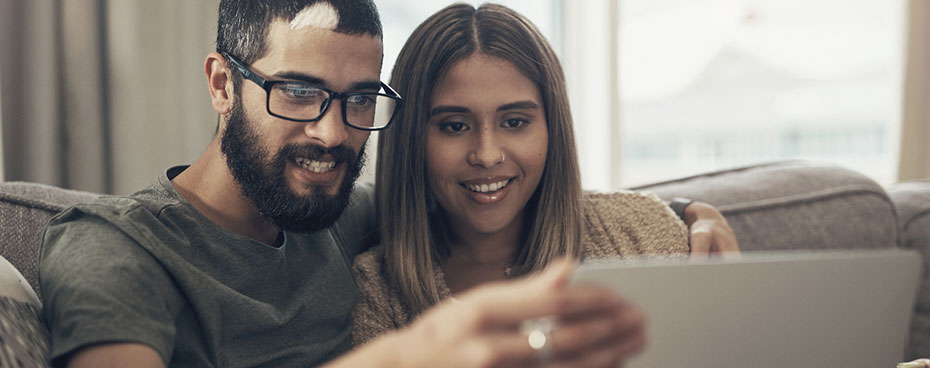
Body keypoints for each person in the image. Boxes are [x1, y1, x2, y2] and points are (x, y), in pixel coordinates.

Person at [39, 0, 735, 367]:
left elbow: (496, 203)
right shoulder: (113, 249)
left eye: (360, 99)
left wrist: (693, 215)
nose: (333, 134)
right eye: (300, 92)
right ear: (223, 83)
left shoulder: (337, 215)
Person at [351, 2, 739, 347]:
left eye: (515, 121)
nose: (487, 155)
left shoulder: (639, 233)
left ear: (553, 128)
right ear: (411, 140)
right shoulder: (376, 290)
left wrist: (690, 212)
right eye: (454, 126)